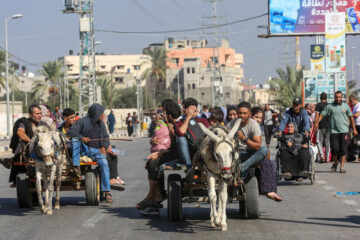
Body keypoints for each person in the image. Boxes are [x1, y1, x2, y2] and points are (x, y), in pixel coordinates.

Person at [137, 101, 181, 216]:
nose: (163, 114)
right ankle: (156, 197)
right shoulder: (161, 123)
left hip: (172, 154)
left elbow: (175, 147)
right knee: (151, 165)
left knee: (153, 164)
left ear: (171, 114)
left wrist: (159, 154)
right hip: (163, 152)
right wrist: (152, 141)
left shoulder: (176, 125)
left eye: (165, 112)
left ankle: (151, 196)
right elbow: (155, 136)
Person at [67, 103, 114, 203]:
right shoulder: (82, 121)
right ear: (96, 114)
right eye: (102, 113)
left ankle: (107, 191)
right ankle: (76, 166)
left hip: (97, 151)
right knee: (75, 140)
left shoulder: (101, 124)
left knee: (104, 164)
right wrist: (82, 138)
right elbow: (70, 132)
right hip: (84, 150)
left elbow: (106, 138)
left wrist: (104, 147)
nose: (103, 115)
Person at [315, 91, 358, 173]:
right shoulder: (330, 106)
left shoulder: (346, 106)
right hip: (334, 131)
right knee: (335, 149)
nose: (338, 98)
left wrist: (354, 129)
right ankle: (335, 163)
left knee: (343, 150)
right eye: (336, 97)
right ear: (334, 97)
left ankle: (341, 167)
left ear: (342, 97)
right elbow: (322, 115)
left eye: (339, 97)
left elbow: (351, 118)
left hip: (344, 131)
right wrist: (317, 123)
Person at [7, 105, 48, 187]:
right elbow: (20, 132)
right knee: (19, 158)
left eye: (40, 113)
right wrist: (31, 141)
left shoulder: (44, 124)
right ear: (30, 115)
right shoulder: (24, 123)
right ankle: (11, 162)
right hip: (30, 151)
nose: (40, 115)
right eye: (37, 114)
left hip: (45, 151)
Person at [227, 102, 268, 177]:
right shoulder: (231, 124)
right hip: (236, 154)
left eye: (244, 113)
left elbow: (257, 146)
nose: (242, 115)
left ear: (250, 114)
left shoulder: (254, 125)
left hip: (250, 154)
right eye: (240, 113)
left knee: (264, 150)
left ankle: (242, 167)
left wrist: (243, 138)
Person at [251, 107, 282, 202]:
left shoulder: (257, 127)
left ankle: (270, 190)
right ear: (251, 116)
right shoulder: (250, 125)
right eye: (256, 117)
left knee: (270, 163)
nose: (259, 120)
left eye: (260, 118)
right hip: (246, 153)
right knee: (266, 161)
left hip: (253, 152)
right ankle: (267, 190)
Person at [175, 98, 210, 169]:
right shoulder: (180, 121)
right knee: (180, 138)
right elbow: (181, 133)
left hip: (201, 150)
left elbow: (208, 133)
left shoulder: (202, 120)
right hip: (187, 152)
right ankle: (189, 166)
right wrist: (188, 117)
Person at [314, 92, 330, 163]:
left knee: (318, 141)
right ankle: (327, 158)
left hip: (320, 125)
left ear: (320, 98)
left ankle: (322, 157)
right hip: (329, 126)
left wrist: (315, 123)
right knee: (327, 142)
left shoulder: (318, 105)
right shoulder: (329, 105)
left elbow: (317, 114)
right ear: (326, 98)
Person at [350, 94, 360, 161]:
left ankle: (358, 156)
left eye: (351, 100)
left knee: (358, 142)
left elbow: (356, 115)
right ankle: (356, 156)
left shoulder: (359, 105)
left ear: (354, 99)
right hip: (355, 125)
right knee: (355, 142)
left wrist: (350, 115)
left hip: (359, 125)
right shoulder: (355, 106)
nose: (351, 102)